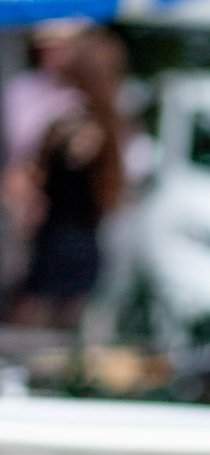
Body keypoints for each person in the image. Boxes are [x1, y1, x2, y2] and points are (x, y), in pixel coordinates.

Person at [9, 28, 125, 329]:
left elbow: (31, 177)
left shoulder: (75, 124)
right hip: (81, 239)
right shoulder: (105, 123)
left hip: (58, 241)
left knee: (33, 329)